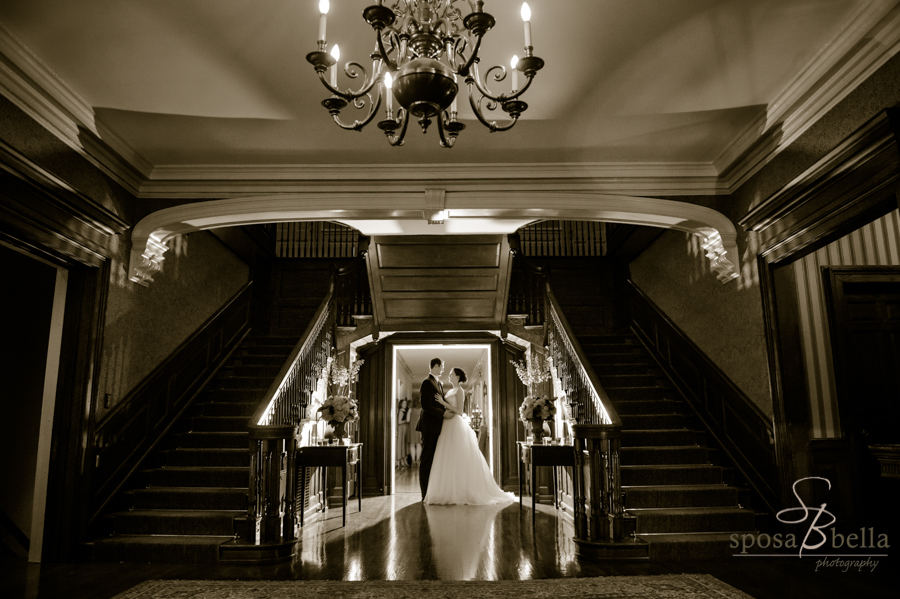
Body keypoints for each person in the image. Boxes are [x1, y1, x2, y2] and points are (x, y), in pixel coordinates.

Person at [424, 367, 515, 505]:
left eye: (451, 374)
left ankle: (461, 491)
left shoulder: (460, 391)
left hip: (455, 424)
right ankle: (447, 491)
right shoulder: (450, 391)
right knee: (446, 457)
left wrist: (443, 403)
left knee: (458, 457)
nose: (449, 376)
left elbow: (460, 411)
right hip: (446, 424)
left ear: (458, 377)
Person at [416, 358, 453, 500]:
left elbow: (439, 403)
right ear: (436, 366)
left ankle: (431, 492)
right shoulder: (427, 382)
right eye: (442, 367)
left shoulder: (438, 382)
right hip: (429, 427)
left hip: (436, 427)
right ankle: (424, 494)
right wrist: (443, 413)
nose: (443, 369)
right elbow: (425, 405)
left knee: (433, 460)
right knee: (426, 460)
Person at [396, 399, 411, 468]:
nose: (405, 405)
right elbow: (399, 422)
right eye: (404, 403)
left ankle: (404, 460)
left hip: (404, 428)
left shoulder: (404, 411)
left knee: (404, 444)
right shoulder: (401, 411)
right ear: (401, 404)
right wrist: (406, 420)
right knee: (401, 444)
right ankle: (401, 460)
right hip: (401, 428)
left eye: (406, 403)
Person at [408, 396, 423, 466]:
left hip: (411, 428)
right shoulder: (422, 410)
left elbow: (408, 420)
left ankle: (413, 460)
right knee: (419, 444)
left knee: (412, 444)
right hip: (419, 428)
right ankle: (418, 460)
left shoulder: (410, 410)